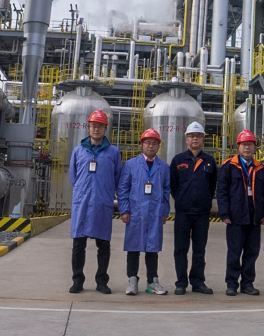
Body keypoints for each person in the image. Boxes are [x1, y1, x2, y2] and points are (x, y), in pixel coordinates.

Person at [68, 109, 122, 294]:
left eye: (99, 126)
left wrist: (105, 193)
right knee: (78, 245)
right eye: (93, 125)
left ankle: (101, 281)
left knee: (103, 245)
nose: (96, 129)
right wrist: (83, 192)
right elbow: (73, 176)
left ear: (105, 128)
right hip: (82, 203)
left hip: (102, 204)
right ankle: (77, 280)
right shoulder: (78, 151)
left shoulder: (113, 152)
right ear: (88, 127)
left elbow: (118, 177)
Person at [118, 128, 170, 296]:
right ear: (142, 144)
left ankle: (152, 281)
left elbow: (166, 190)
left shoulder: (163, 167)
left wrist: (164, 211)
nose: (150, 146)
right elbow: (123, 188)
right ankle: (132, 280)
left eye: (154, 143)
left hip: (155, 212)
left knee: (152, 248)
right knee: (133, 247)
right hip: (136, 212)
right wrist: (124, 210)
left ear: (158, 146)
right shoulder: (130, 165)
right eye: (147, 142)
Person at [217, 129, 264, 296]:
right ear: (238, 146)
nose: (247, 148)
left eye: (250, 145)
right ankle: (231, 284)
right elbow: (222, 192)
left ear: (254, 147)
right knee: (234, 252)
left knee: (251, 252)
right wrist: (224, 214)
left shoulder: (260, 168)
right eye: (244, 144)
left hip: (254, 218)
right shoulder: (228, 167)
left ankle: (247, 284)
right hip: (235, 218)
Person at [170, 120, 217, 295]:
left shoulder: (209, 161)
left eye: (198, 136)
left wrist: (204, 202)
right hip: (183, 213)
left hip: (202, 214)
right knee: (180, 249)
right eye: (191, 136)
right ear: (186, 139)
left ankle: (198, 282)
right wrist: (182, 201)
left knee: (199, 250)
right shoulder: (178, 160)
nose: (195, 139)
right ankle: (181, 283)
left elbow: (212, 186)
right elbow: (173, 186)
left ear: (203, 139)